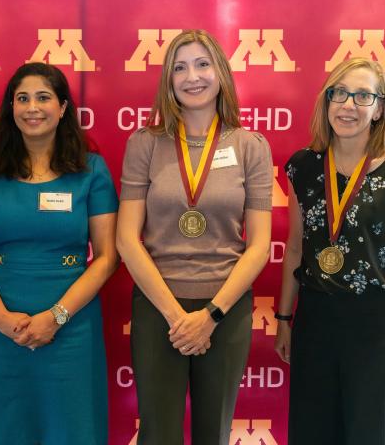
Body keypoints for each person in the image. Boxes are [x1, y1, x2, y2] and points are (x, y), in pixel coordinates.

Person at [116, 29, 272, 445]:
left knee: (213, 434)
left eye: (203, 64)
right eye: (179, 68)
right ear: (168, 80)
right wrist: (175, 317)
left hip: (226, 310)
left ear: (220, 72)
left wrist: (210, 316)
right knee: (158, 435)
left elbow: (259, 246)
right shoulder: (145, 144)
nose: (192, 77)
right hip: (157, 308)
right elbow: (127, 240)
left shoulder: (251, 146)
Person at [0, 62, 119, 444]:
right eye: (22, 98)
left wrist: (57, 317)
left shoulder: (91, 170)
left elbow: (108, 256)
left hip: (71, 327)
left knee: (71, 429)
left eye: (44, 97)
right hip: (1, 328)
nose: (33, 107)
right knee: (1, 428)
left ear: (63, 108)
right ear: (11, 108)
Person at [274, 57, 385, 445]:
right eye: (339, 93)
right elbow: (295, 248)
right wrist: (284, 318)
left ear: (379, 108)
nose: (348, 105)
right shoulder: (303, 167)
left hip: (376, 330)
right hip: (315, 326)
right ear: (326, 102)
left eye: (363, 96)